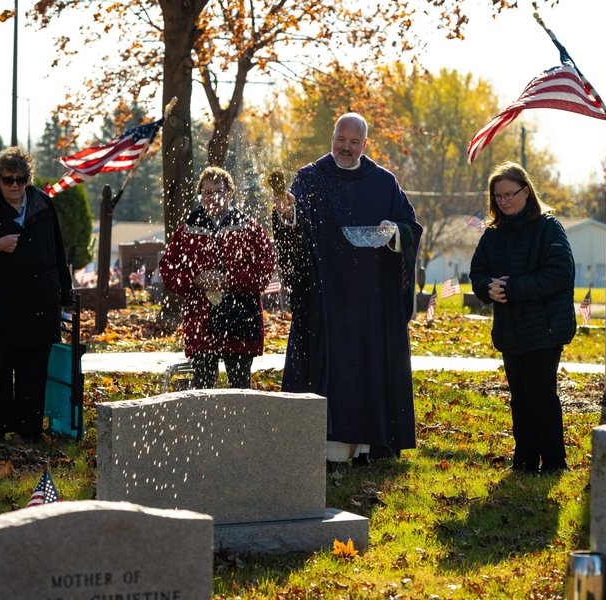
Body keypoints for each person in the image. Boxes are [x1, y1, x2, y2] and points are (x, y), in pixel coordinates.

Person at [272, 113, 423, 464]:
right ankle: (323, 447)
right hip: (324, 298)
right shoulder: (310, 178)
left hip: (372, 300)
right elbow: (292, 228)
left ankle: (369, 446)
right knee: (330, 368)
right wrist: (286, 214)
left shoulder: (383, 183)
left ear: (364, 145)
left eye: (355, 142)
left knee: (368, 368)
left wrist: (394, 231)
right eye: (342, 139)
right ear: (333, 137)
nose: (346, 147)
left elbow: (409, 226)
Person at [0, 147, 73, 443]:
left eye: (21, 179)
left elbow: (58, 252)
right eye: (8, 180)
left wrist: (66, 295)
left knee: (33, 370)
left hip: (39, 303)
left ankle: (29, 431)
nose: (15, 186)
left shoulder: (43, 205)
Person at [469, 161, 575, 475]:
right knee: (520, 397)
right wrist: (488, 289)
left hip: (546, 327)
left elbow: (559, 274)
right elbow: (477, 273)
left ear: (526, 192)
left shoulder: (548, 227)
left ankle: (555, 462)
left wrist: (512, 288)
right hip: (510, 330)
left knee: (540, 392)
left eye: (510, 194)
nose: (504, 201)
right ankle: (525, 461)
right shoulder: (493, 235)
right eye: (498, 196)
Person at [158, 166, 276, 389]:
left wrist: (229, 280)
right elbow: (168, 270)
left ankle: (241, 425)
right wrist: (195, 279)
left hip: (241, 317)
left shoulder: (249, 228)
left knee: (240, 388)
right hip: (201, 319)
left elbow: (265, 267)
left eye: (219, 191)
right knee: (202, 388)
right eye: (207, 192)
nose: (213, 198)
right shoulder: (187, 231)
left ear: (230, 192)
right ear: (200, 195)